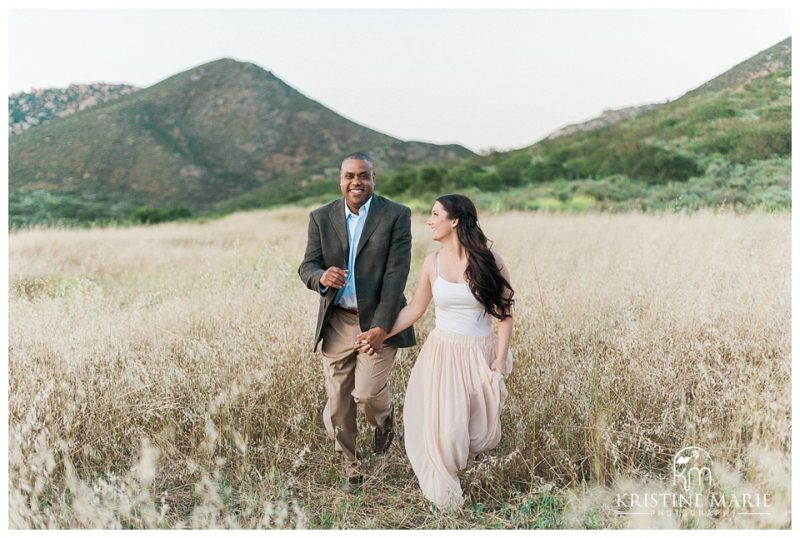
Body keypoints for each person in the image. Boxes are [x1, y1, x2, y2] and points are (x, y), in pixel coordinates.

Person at [357, 193, 514, 510]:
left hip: (479, 353)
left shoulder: (489, 260)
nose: (429, 220)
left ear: (454, 220)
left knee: (480, 432)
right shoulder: (432, 262)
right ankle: (446, 492)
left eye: (434, 214)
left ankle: (462, 464)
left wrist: (499, 357)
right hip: (442, 353)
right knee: (445, 426)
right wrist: (380, 332)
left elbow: (506, 312)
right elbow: (415, 309)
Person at [298, 152, 416, 490]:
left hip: (380, 320)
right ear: (340, 179)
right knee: (337, 402)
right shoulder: (321, 217)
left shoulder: (395, 215)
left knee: (366, 394)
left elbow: (397, 275)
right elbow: (306, 266)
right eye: (349, 175)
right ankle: (352, 467)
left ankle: (384, 420)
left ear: (373, 178)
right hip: (337, 321)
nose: (356, 182)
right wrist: (321, 276)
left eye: (363, 175)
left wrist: (381, 327)